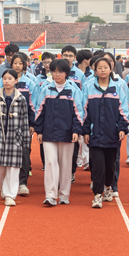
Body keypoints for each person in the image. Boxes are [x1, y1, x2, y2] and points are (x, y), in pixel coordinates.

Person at [33, 58, 83, 207]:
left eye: (60, 72)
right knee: (50, 162)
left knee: (66, 164)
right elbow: (39, 111)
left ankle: (64, 195)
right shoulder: (46, 89)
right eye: (54, 71)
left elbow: (79, 112)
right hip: (48, 132)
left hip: (68, 133)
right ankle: (50, 195)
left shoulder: (73, 90)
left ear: (66, 73)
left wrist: (76, 130)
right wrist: (39, 131)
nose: (57, 74)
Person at [83, 56, 129, 208]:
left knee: (110, 165)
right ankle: (97, 195)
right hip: (94, 134)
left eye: (105, 67)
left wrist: (122, 128)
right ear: (95, 70)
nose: (102, 70)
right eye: (99, 68)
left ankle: (108, 187)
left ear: (111, 69)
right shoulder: (89, 88)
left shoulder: (117, 88)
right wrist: (86, 130)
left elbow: (124, 111)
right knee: (97, 165)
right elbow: (84, 111)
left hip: (112, 134)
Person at [0, 68, 33, 208]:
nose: (7, 81)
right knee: (0, 168)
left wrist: (26, 140)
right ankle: (4, 189)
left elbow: (24, 120)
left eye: (10, 79)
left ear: (16, 81)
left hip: (15, 137)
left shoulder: (21, 98)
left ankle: (10, 195)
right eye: (5, 78)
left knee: (13, 167)